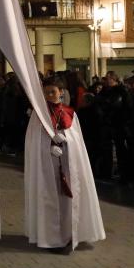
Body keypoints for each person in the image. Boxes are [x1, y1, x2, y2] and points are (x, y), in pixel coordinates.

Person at [24, 78, 105, 251]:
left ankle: (70, 233)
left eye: (53, 92)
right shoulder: (39, 115)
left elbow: (77, 141)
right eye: (46, 93)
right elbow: (33, 141)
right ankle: (51, 237)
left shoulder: (70, 113)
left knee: (68, 198)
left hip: (68, 163)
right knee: (49, 197)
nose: (49, 96)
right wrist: (48, 147)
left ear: (61, 92)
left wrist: (66, 142)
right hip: (47, 164)